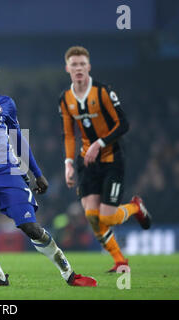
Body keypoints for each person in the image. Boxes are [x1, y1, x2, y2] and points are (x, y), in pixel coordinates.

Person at [0, 56, 97, 287]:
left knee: (31, 228)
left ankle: (70, 274)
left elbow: (19, 141)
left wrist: (37, 172)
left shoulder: (6, 104)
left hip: (8, 173)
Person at [58, 46, 152, 272]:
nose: (78, 68)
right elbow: (70, 134)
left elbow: (124, 124)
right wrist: (68, 163)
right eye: (74, 64)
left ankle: (135, 207)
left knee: (107, 218)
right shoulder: (65, 98)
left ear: (89, 67)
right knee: (92, 217)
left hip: (111, 158)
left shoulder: (103, 92)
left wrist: (100, 143)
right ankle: (120, 261)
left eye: (82, 64)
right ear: (67, 68)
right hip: (87, 162)